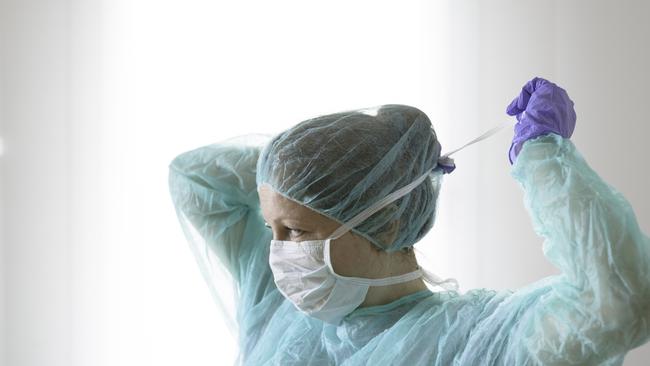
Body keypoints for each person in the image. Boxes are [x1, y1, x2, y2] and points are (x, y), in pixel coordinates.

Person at [168, 77, 650, 365]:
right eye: (273, 228)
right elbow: (194, 179)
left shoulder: (475, 343)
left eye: (296, 231)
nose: (278, 253)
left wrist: (543, 161)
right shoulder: (281, 309)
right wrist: (295, 173)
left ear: (388, 223)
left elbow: (620, 301)